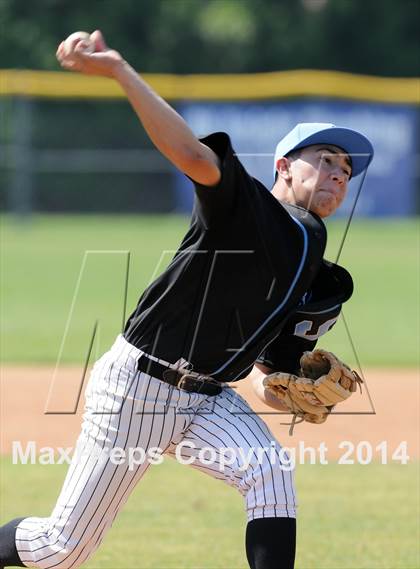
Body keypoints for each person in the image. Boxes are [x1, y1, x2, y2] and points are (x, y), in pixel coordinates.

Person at [0, 30, 373, 569]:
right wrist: (122, 72)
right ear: (284, 166)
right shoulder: (244, 205)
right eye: (325, 158)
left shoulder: (313, 255)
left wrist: (286, 388)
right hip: (138, 389)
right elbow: (188, 152)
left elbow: (269, 365)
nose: (338, 173)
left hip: (208, 398)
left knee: (269, 471)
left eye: (346, 170)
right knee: (60, 549)